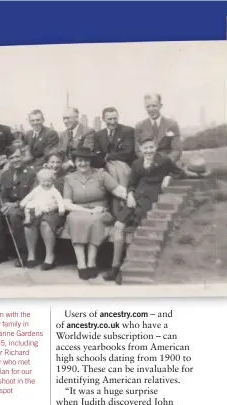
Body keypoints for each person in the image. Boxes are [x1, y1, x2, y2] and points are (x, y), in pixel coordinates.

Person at [106, 136, 186, 283]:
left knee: (139, 228)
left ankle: (126, 269)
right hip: (135, 199)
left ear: (155, 147)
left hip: (151, 200)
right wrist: (129, 194)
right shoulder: (137, 163)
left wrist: (168, 177)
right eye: (145, 148)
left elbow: (181, 173)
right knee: (118, 226)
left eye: (151, 147)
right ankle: (115, 267)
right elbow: (131, 183)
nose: (148, 151)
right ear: (141, 149)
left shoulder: (165, 161)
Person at [62, 146, 128, 280]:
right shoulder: (69, 179)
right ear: (74, 162)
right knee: (75, 219)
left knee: (95, 220)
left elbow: (118, 190)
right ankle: (81, 264)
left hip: (101, 212)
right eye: (79, 161)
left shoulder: (101, 174)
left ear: (90, 161)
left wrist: (132, 196)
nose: (82, 164)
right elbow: (67, 204)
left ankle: (91, 262)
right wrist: (89, 211)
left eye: (86, 160)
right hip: (78, 211)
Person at [0, 144, 36, 266]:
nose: (15, 160)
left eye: (17, 156)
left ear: (22, 156)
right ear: (8, 160)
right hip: (10, 206)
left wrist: (15, 204)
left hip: (26, 208)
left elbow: (33, 196)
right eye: (12, 158)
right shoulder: (6, 175)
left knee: (14, 215)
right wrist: (4, 204)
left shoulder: (31, 173)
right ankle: (0, 253)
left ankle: (23, 255)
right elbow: (3, 195)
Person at [20, 169, 65, 270]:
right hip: (36, 208)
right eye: (43, 181)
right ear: (39, 181)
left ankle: (49, 256)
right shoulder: (37, 189)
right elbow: (29, 196)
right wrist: (22, 203)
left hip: (48, 209)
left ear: (52, 180)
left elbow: (60, 201)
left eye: (48, 181)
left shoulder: (54, 190)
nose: (46, 183)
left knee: (45, 221)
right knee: (29, 222)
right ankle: (31, 256)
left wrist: (61, 209)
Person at [135, 94, 182, 164]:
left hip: (168, 162)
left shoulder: (172, 124)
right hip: (147, 163)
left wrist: (165, 162)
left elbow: (177, 150)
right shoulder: (139, 126)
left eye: (154, 106)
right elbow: (138, 150)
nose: (151, 109)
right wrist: (149, 162)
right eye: (148, 106)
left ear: (160, 106)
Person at [59, 107, 95, 171]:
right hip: (64, 168)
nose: (65, 121)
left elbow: (85, 153)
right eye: (64, 118)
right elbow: (59, 152)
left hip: (81, 168)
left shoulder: (88, 131)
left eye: (68, 118)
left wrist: (69, 163)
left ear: (76, 117)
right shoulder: (63, 134)